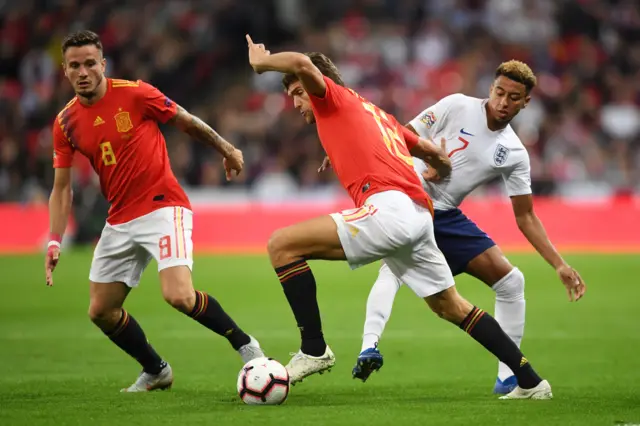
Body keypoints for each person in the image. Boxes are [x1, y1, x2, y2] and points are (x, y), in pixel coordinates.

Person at [246, 35, 552, 399]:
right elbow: (423, 146)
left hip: (388, 209)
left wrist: (262, 63)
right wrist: (441, 164)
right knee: (451, 306)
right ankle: (532, 382)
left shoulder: (332, 99)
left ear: (319, 86)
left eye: (298, 93)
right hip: (420, 215)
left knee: (281, 245)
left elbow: (302, 64)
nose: (296, 103)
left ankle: (314, 349)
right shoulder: (374, 113)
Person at [45, 30, 265, 393]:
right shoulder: (65, 123)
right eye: (73, 66)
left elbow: (186, 120)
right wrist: (54, 240)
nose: (82, 71)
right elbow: (62, 188)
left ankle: (246, 345)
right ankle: (156, 369)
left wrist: (226, 148)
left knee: (178, 294)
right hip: (118, 218)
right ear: (65, 71)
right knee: (101, 311)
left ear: (103, 64)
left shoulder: (135, 93)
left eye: (89, 63)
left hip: (164, 205)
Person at [356, 60, 586, 395]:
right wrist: (432, 157)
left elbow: (525, 216)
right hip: (409, 198)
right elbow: (401, 135)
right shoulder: (457, 105)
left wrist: (559, 264)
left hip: (446, 216)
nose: (504, 102)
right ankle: (369, 345)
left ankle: (509, 377)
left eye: (514, 97)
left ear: (526, 103)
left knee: (510, 281)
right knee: (392, 268)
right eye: (499, 92)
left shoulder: (515, 154)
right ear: (491, 88)